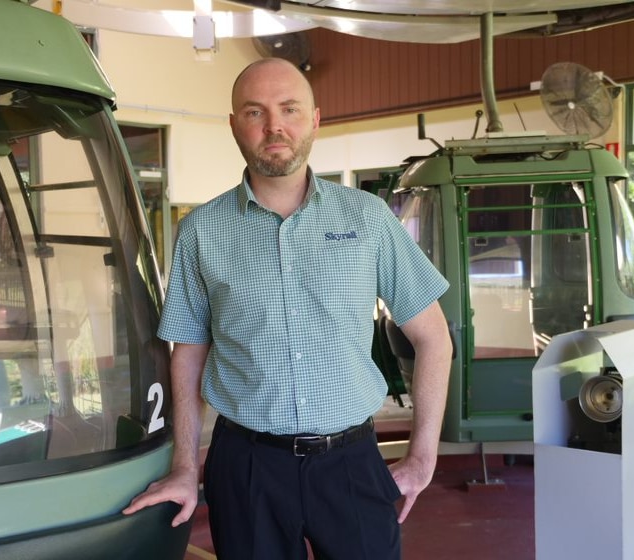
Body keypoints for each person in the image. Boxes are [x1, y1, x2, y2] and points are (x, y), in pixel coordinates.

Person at [123, 57, 453, 559]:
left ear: (315, 119)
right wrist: (186, 467)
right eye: (255, 112)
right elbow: (187, 353)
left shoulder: (366, 218)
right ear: (235, 126)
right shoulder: (202, 232)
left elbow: (433, 337)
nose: (274, 125)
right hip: (247, 466)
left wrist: (422, 456)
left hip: (352, 463)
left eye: (289, 109)